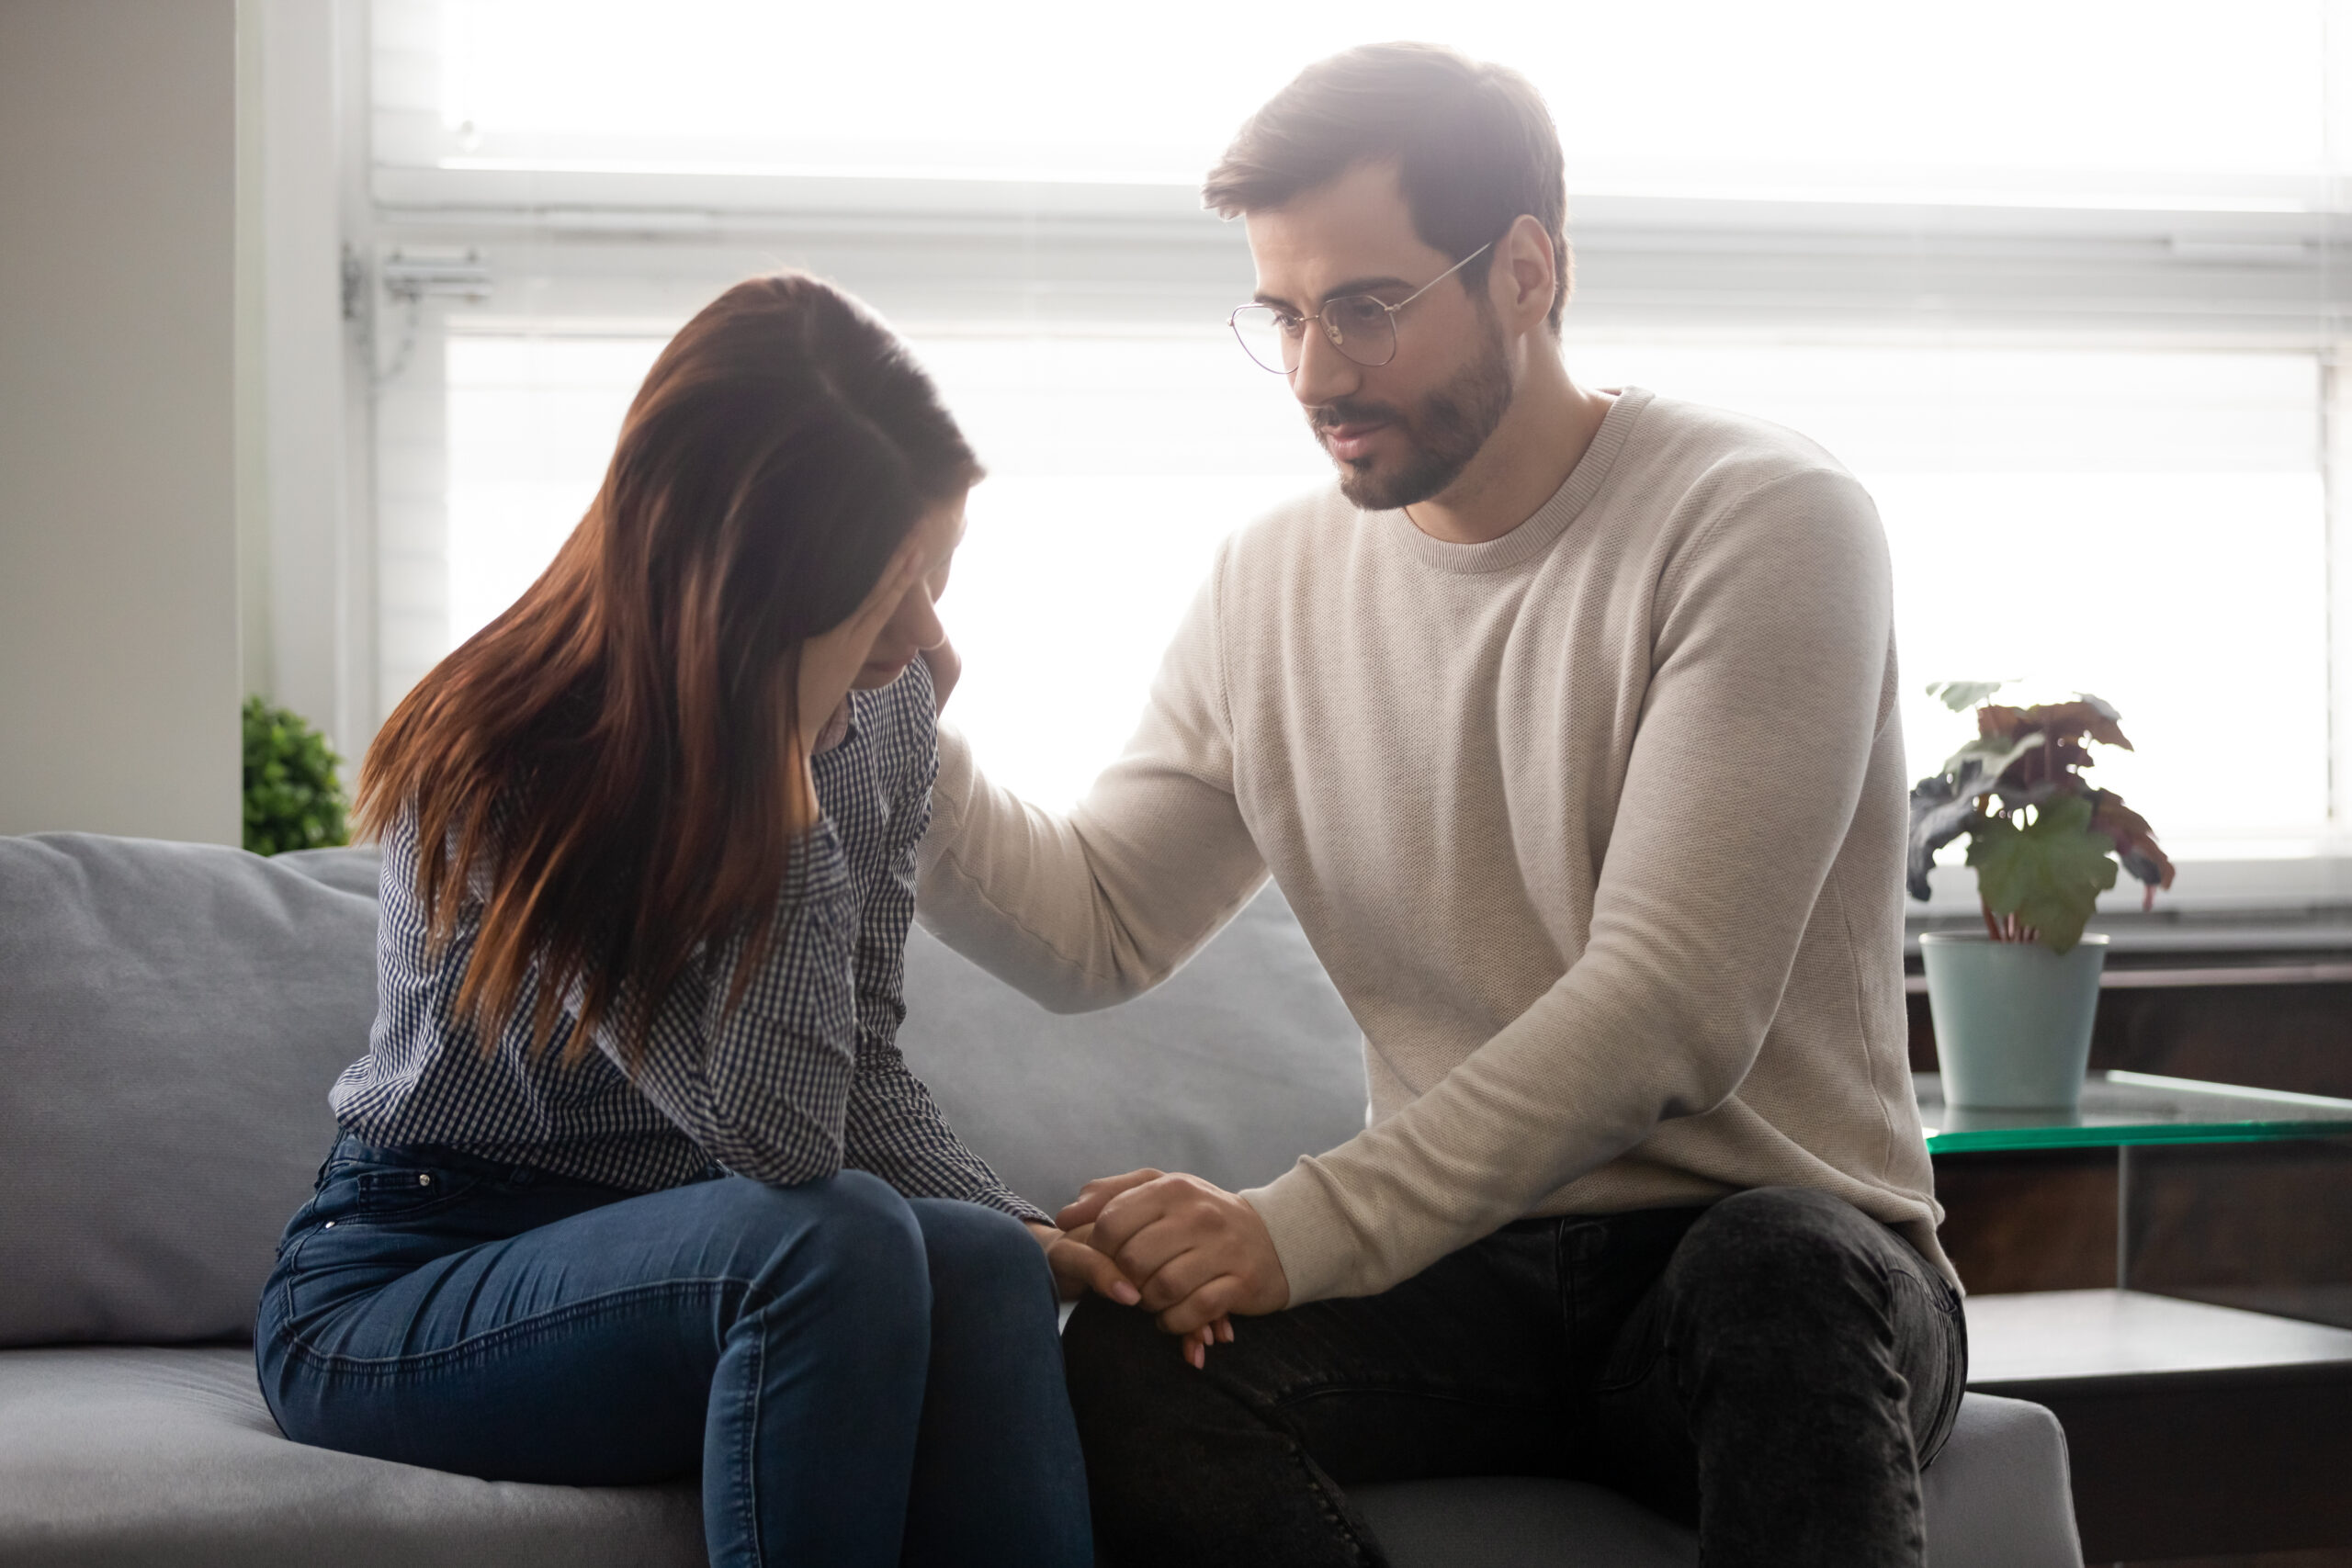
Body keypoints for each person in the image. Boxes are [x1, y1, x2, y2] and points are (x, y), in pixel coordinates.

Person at [914, 42, 1965, 1568]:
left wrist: (1287, 1229)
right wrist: (893, 722)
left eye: (1365, 308)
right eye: (1282, 314)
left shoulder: (1763, 521)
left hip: (1779, 1261)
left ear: (1527, 270)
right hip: (1474, 1274)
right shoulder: (1269, 586)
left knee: (1775, 1269)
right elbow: (1098, 923)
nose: (1317, 374)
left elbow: (1671, 1006)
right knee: (1129, 1374)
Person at [254, 274, 1103, 1568]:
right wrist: (786, 794)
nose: (934, 644)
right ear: (747, 591)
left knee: (983, 1267)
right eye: (889, 596)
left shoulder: (884, 718)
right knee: (834, 1243)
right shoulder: (510, 759)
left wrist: (1035, 1233)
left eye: (939, 579)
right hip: (409, 1275)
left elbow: (856, 1077)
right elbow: (779, 1144)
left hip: (704, 1261)